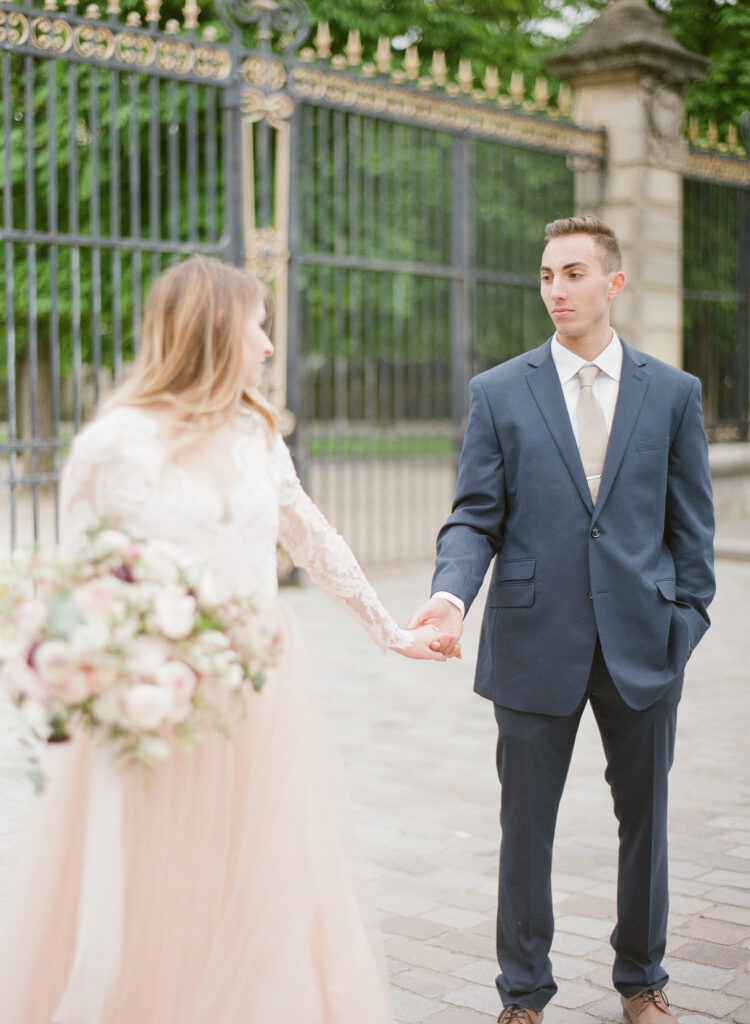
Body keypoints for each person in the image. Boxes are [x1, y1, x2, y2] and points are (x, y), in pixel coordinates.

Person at [0, 255, 456, 1024]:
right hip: (152, 700)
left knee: (259, 882)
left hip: (258, 698)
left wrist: (388, 632)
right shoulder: (111, 445)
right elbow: (72, 589)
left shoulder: (255, 433)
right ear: (217, 328)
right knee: (154, 883)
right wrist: (87, 681)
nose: (269, 345)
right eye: (259, 326)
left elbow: (313, 539)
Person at [411, 216, 715, 1024]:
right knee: (525, 831)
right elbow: (474, 517)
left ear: (613, 283)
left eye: (574, 274)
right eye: (547, 275)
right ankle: (523, 996)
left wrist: (684, 624)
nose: (557, 291)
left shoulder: (673, 393)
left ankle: (642, 982)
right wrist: (450, 597)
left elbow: (692, 530)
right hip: (531, 642)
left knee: (644, 827)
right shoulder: (499, 392)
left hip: (645, 647)